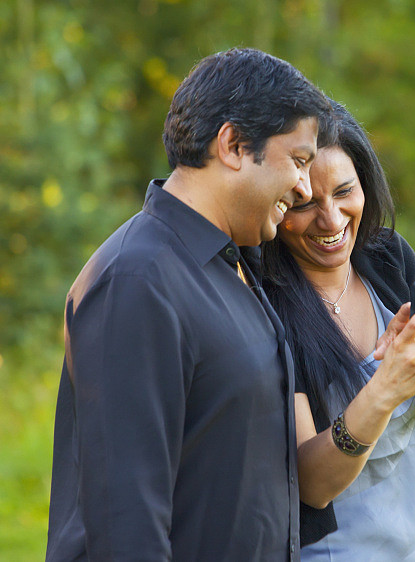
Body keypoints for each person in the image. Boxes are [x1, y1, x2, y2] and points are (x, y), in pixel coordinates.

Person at [46, 48, 332, 561]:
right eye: (298, 160)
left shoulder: (234, 264)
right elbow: (126, 524)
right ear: (234, 145)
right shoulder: (137, 280)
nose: (305, 187)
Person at [262, 101, 415, 560]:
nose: (331, 220)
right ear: (278, 203)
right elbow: (313, 484)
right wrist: (387, 387)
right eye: (305, 203)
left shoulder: (386, 258)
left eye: (344, 191)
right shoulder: (268, 304)